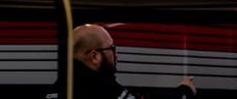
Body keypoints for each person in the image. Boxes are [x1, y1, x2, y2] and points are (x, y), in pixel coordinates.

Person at [59, 23, 196, 99]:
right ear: (94, 56)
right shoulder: (101, 88)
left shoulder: (60, 86)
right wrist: (184, 91)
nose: (116, 55)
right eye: (111, 49)